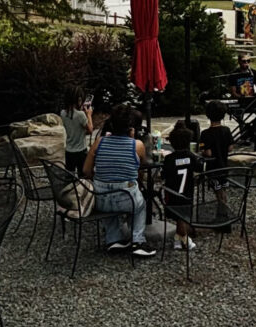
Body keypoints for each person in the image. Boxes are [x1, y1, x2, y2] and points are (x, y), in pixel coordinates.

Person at [84, 106, 156, 258]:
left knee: (107, 195)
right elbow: (140, 170)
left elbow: (86, 171)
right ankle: (137, 240)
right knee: (140, 205)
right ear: (131, 128)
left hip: (100, 199)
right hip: (127, 198)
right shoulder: (137, 145)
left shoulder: (99, 142)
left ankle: (113, 239)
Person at [161, 119, 198, 251]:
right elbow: (199, 168)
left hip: (172, 192)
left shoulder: (169, 158)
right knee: (182, 216)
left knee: (178, 217)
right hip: (187, 192)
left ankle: (178, 239)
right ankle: (186, 240)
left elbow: (163, 175)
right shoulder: (191, 156)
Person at [58, 89, 94, 178]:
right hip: (81, 151)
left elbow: (74, 127)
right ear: (78, 100)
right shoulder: (80, 115)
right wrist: (89, 115)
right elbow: (90, 130)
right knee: (83, 176)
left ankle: (71, 190)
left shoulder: (63, 113)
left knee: (70, 175)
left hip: (69, 151)